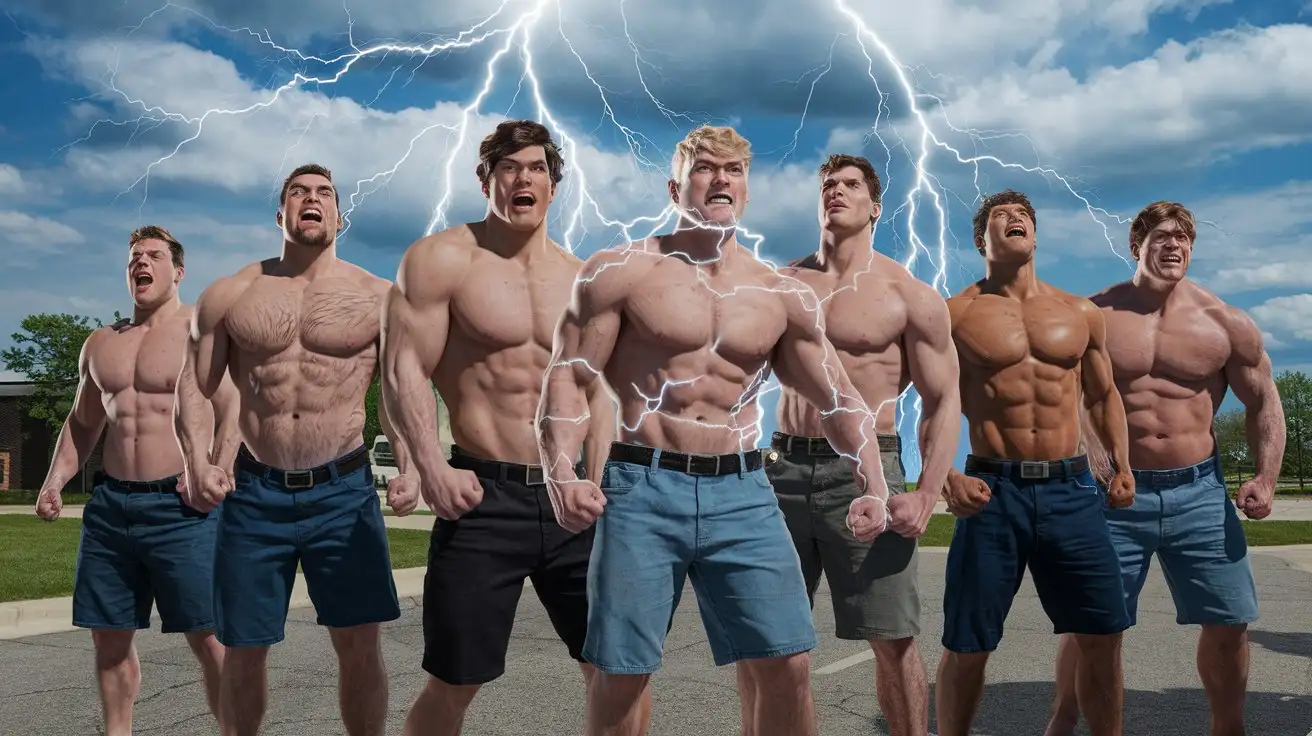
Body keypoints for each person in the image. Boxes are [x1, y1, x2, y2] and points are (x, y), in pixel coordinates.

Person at [537, 125, 890, 736]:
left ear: (747, 191)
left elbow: (838, 398)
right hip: (642, 485)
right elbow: (570, 376)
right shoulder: (621, 270)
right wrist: (561, 473)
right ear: (678, 186)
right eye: (705, 168)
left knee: (789, 662)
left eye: (734, 171)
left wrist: (875, 481)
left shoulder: (780, 294)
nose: (720, 179)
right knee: (621, 671)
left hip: (744, 490)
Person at [380, 120, 642, 735]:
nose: (523, 179)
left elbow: (598, 392)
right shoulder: (440, 260)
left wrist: (600, 483)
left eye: (537, 169)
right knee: (453, 679)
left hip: (575, 500)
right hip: (483, 497)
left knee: (618, 670)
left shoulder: (585, 280)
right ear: (486, 179)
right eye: (509, 167)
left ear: (555, 185)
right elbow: (404, 369)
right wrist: (430, 467)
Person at [175, 163, 410, 736]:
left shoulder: (379, 298)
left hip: (345, 492)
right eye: (298, 193)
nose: (312, 200)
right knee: (243, 647)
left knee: (358, 644)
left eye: (324, 193)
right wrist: (198, 463)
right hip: (255, 493)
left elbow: (402, 395)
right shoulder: (232, 294)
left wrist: (411, 467)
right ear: (280, 213)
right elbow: (194, 386)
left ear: (339, 215)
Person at [739, 154, 961, 736]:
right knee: (764, 641)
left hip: (868, 478)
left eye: (850, 184)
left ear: (875, 205)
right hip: (780, 467)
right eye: (827, 184)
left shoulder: (908, 295)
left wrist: (926, 492)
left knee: (891, 638)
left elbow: (943, 402)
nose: (836, 191)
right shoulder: (781, 284)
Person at [1045, 201, 1285, 736]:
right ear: (1137, 245)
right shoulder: (1094, 315)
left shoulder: (1226, 323)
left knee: (1228, 623)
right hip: (1110, 495)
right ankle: (1064, 717)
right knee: (1095, 627)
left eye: (1184, 238)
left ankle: (1229, 728)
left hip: (1198, 492)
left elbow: (1264, 401)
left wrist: (1266, 477)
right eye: (1162, 236)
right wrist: (1097, 459)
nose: (1174, 245)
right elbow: (1065, 398)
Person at [934, 189, 1136, 736]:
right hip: (991, 493)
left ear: (1036, 234)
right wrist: (945, 475)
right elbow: (931, 400)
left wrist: (1121, 462)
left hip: (1071, 491)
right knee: (968, 642)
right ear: (982, 240)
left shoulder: (1079, 312)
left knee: (1102, 635)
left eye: (1023, 215)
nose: (1015, 219)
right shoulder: (955, 313)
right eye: (1001, 216)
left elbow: (1101, 395)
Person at [34, 225, 233, 735]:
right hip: (111, 508)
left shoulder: (202, 331)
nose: (141, 263)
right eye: (133, 257)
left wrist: (219, 469)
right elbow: (82, 424)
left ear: (179, 270)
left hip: (184, 507)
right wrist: (54, 480)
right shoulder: (101, 343)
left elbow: (235, 407)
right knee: (109, 639)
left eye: (154, 255)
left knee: (210, 638)